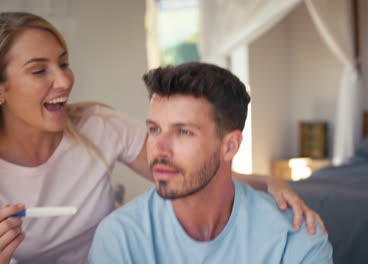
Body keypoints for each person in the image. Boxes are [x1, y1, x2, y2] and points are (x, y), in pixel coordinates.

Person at [0, 12, 325, 264]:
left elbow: (192, 171)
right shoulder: (121, 235)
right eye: (39, 70)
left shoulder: (97, 127)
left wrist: (270, 184)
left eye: (64, 63)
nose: (65, 80)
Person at [89, 62, 333, 263]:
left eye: (183, 132)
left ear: (230, 146)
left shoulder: (295, 237)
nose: (158, 149)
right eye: (154, 129)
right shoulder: (119, 238)